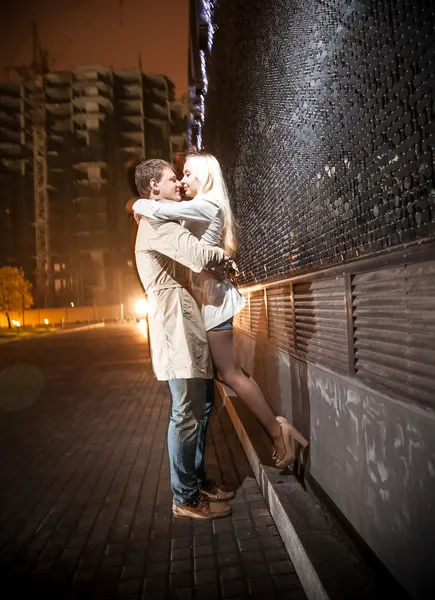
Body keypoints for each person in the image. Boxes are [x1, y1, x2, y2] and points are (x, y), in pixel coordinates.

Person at [132, 153, 294, 468]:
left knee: (229, 372)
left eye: (189, 174)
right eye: (179, 175)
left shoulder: (205, 204)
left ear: (206, 178)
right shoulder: (194, 207)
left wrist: (138, 205)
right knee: (222, 376)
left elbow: (156, 208)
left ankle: (277, 431)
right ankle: (270, 431)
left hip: (214, 301)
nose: (182, 180)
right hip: (205, 299)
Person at [131, 158, 235, 519]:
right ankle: (185, 498)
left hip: (183, 315)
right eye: (172, 179)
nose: (179, 184)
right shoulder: (157, 223)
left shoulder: (160, 215)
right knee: (185, 412)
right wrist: (228, 258)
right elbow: (196, 254)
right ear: (154, 187)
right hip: (174, 321)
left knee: (201, 405)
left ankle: (196, 481)